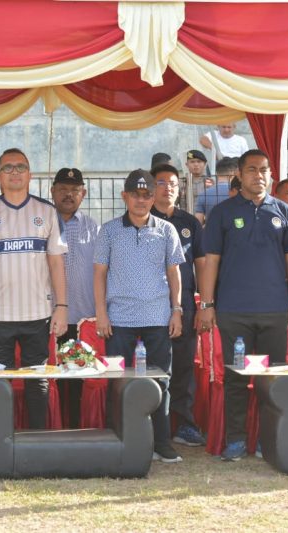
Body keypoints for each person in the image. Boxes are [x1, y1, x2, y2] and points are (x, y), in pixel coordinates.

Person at [200, 149, 288, 461]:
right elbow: (211, 261)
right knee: (236, 378)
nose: (259, 175)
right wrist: (207, 304)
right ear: (240, 175)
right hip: (233, 311)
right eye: (252, 170)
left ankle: (267, 440)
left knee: (272, 379)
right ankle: (236, 440)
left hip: (275, 310)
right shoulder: (222, 212)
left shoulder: (284, 212)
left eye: (264, 170)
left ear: (271, 175)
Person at [0, 148, 68, 429]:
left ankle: (37, 441)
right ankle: (2, 442)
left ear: (30, 174)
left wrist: (62, 306)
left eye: (20, 167)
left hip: (38, 313)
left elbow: (57, 263)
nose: (15, 172)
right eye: (8, 168)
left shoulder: (47, 211)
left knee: (38, 381)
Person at [94, 169, 185, 462]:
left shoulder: (166, 230)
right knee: (117, 380)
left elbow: (174, 273)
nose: (141, 200)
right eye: (136, 194)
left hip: (158, 316)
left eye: (147, 195)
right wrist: (101, 314)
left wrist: (177, 311)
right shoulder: (108, 230)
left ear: (154, 197)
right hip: (118, 318)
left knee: (160, 381)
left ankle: (161, 443)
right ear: (125, 197)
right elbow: (99, 274)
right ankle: (117, 439)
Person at [150, 164, 206, 447]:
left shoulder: (189, 223)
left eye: (173, 183)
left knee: (184, 366)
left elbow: (202, 264)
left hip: (184, 306)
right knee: (154, 368)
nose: (168, 187)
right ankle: (152, 425)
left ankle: (185, 424)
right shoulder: (142, 219)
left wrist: (205, 304)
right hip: (150, 308)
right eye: (161, 182)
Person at [50, 167, 98, 428]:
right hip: (50, 319)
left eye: (75, 190)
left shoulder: (94, 227)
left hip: (83, 320)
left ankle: (78, 428)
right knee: (52, 378)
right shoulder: (43, 222)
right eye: (63, 190)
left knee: (79, 377)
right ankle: (53, 428)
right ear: (52, 191)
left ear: (84, 194)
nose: (69, 195)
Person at [195, 157, 238, 225]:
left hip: (212, 232)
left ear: (217, 173)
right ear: (233, 173)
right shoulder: (239, 193)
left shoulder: (203, 194)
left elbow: (198, 223)